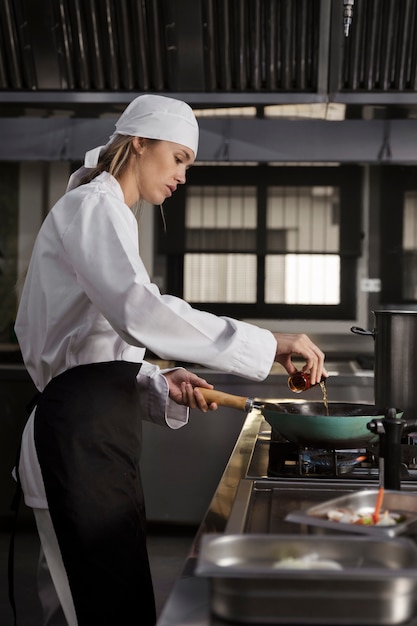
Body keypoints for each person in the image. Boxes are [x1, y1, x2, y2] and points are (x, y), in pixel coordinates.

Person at [14, 94, 327, 626]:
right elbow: (141, 310)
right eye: (178, 158)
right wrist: (270, 343)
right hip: (76, 434)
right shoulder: (93, 206)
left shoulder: (110, 212)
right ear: (139, 143)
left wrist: (152, 376)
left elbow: (97, 349)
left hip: (96, 429)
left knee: (100, 595)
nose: (183, 176)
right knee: (94, 603)